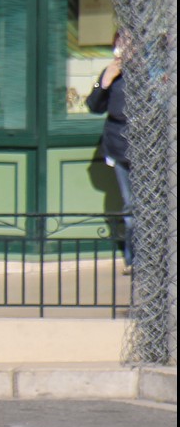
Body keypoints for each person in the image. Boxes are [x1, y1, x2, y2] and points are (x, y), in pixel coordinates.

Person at [86, 35, 132, 270]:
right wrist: (104, 82)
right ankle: (133, 258)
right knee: (129, 205)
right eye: (119, 44)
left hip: (147, 146)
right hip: (119, 145)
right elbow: (93, 104)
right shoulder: (111, 72)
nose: (121, 49)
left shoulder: (151, 72)